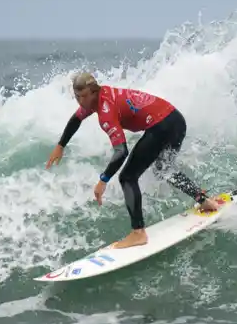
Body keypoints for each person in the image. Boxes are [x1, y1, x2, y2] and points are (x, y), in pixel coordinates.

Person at [45, 71, 219, 248]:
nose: (80, 101)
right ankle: (205, 201)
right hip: (175, 119)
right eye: (76, 96)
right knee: (163, 169)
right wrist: (61, 145)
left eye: (83, 96)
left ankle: (138, 233)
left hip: (162, 126)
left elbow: (121, 151)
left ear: (94, 91)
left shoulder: (106, 112)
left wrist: (103, 180)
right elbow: (77, 118)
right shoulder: (99, 97)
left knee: (127, 177)